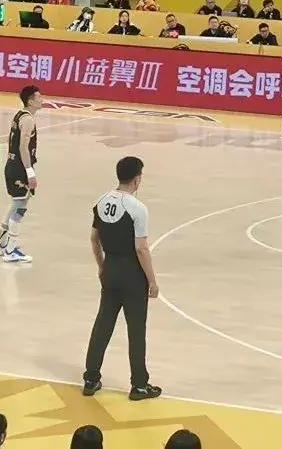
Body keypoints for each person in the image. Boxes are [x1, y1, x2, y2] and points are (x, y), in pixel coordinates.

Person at [82, 156, 162, 402]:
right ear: (137, 179)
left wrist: (101, 267)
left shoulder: (101, 202)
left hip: (110, 269)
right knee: (136, 330)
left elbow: (94, 239)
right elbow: (141, 248)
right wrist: (152, 280)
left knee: (103, 324)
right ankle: (139, 385)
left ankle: (91, 378)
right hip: (132, 275)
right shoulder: (138, 208)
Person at [0, 85, 42, 263]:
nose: (42, 100)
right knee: (20, 206)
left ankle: (2, 244)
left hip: (11, 165)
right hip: (20, 168)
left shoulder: (19, 115)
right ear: (30, 101)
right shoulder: (28, 119)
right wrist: (30, 172)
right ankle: (11, 250)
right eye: (39, 97)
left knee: (14, 204)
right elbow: (23, 147)